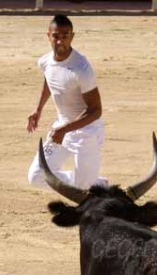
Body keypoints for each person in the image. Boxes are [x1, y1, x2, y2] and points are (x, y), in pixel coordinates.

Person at [27, 14, 106, 190]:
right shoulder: (45, 61)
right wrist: (38, 109)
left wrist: (64, 130)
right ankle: (93, 183)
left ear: (72, 36)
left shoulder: (82, 68)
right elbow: (50, 80)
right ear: (48, 35)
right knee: (36, 177)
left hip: (86, 132)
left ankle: (89, 184)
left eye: (65, 36)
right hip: (62, 127)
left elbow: (96, 111)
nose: (60, 41)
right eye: (56, 36)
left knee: (83, 188)